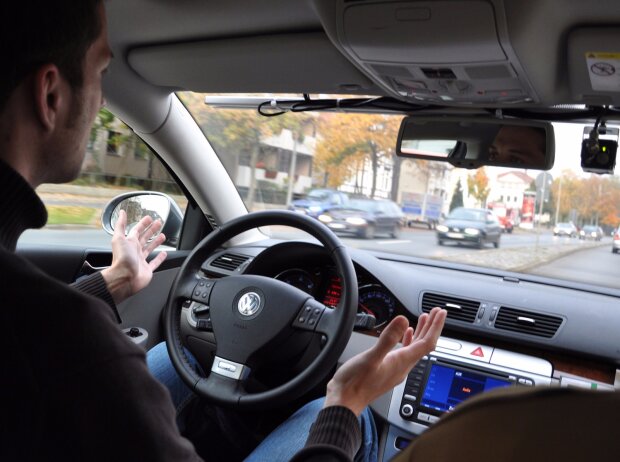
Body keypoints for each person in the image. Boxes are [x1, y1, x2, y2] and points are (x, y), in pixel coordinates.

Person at [1, 1, 447, 461]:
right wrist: (346, 402)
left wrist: (115, 282)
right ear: (50, 95)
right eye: (101, 74)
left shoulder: (43, 325)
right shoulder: (73, 342)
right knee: (347, 422)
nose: (99, 98)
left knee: (180, 362)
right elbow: (44, 329)